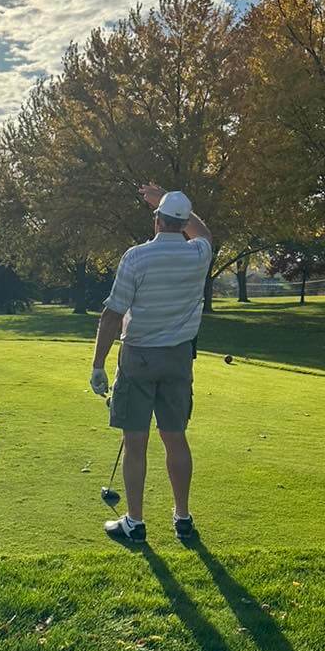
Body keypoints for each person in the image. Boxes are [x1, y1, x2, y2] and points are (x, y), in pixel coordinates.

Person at [90, 186, 212, 544]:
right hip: (178, 358)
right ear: (182, 222)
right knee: (175, 438)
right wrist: (170, 202)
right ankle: (182, 517)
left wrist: (98, 364)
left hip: (139, 356)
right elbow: (203, 232)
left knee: (136, 440)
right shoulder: (199, 253)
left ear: (157, 220)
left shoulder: (136, 257)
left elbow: (112, 313)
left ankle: (136, 522)